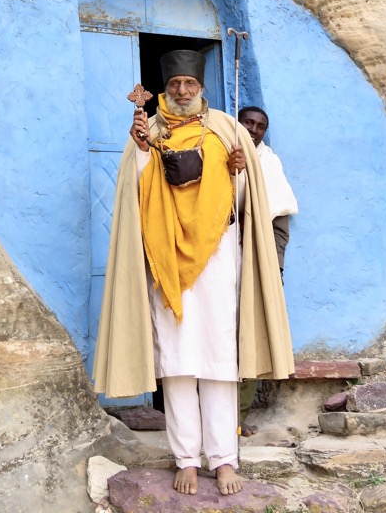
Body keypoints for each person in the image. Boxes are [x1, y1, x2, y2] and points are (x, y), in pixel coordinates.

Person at [93, 51, 294, 496]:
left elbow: (246, 200)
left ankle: (223, 459)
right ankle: (185, 457)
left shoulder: (226, 128)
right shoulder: (148, 129)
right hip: (165, 259)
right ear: (165, 89)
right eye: (175, 84)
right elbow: (136, 191)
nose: (182, 91)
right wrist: (144, 150)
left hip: (220, 256)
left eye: (190, 83)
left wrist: (241, 171)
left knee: (221, 359)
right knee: (179, 360)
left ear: (201, 87)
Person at [237, 106, 299, 436]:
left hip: (259, 260)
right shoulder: (222, 154)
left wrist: (273, 268)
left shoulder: (268, 163)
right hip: (222, 262)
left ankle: (237, 416)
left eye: (260, 126)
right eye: (248, 122)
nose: (254, 129)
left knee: (254, 336)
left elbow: (279, 224)